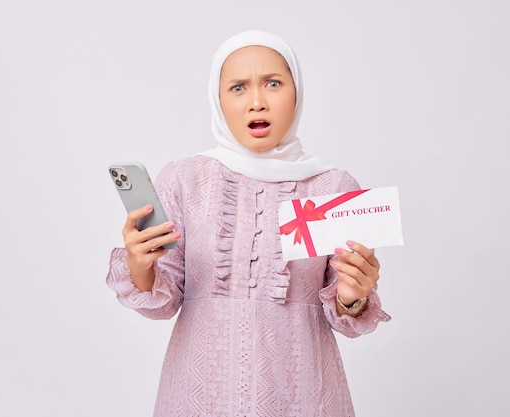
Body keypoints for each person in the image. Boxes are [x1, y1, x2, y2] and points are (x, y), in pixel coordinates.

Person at [106, 30, 391, 417]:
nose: (257, 102)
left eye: (273, 83)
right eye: (238, 87)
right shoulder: (185, 180)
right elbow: (162, 303)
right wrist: (140, 265)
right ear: (218, 99)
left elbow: (348, 317)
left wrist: (353, 295)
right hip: (200, 397)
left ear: (297, 91)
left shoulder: (333, 188)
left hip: (303, 395)